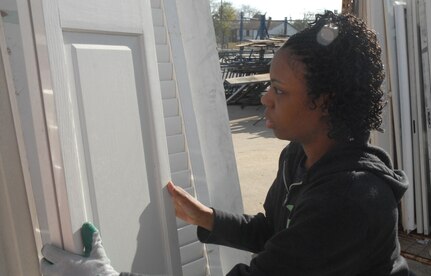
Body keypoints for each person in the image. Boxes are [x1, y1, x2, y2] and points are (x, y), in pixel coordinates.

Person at [40, 11, 411, 276]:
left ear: (324, 101)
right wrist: (207, 217)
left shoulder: (352, 200)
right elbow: (275, 233)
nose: (265, 98)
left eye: (279, 90)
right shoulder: (299, 155)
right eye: (269, 85)